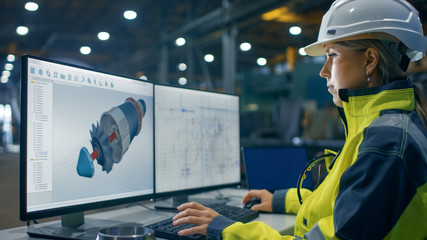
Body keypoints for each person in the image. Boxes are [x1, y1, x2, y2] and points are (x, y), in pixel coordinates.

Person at [172, 0, 427, 239]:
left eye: (332, 55)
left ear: (370, 60)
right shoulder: (381, 126)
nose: (323, 70)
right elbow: (344, 199)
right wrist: (281, 200)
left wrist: (226, 229)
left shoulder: (387, 145)